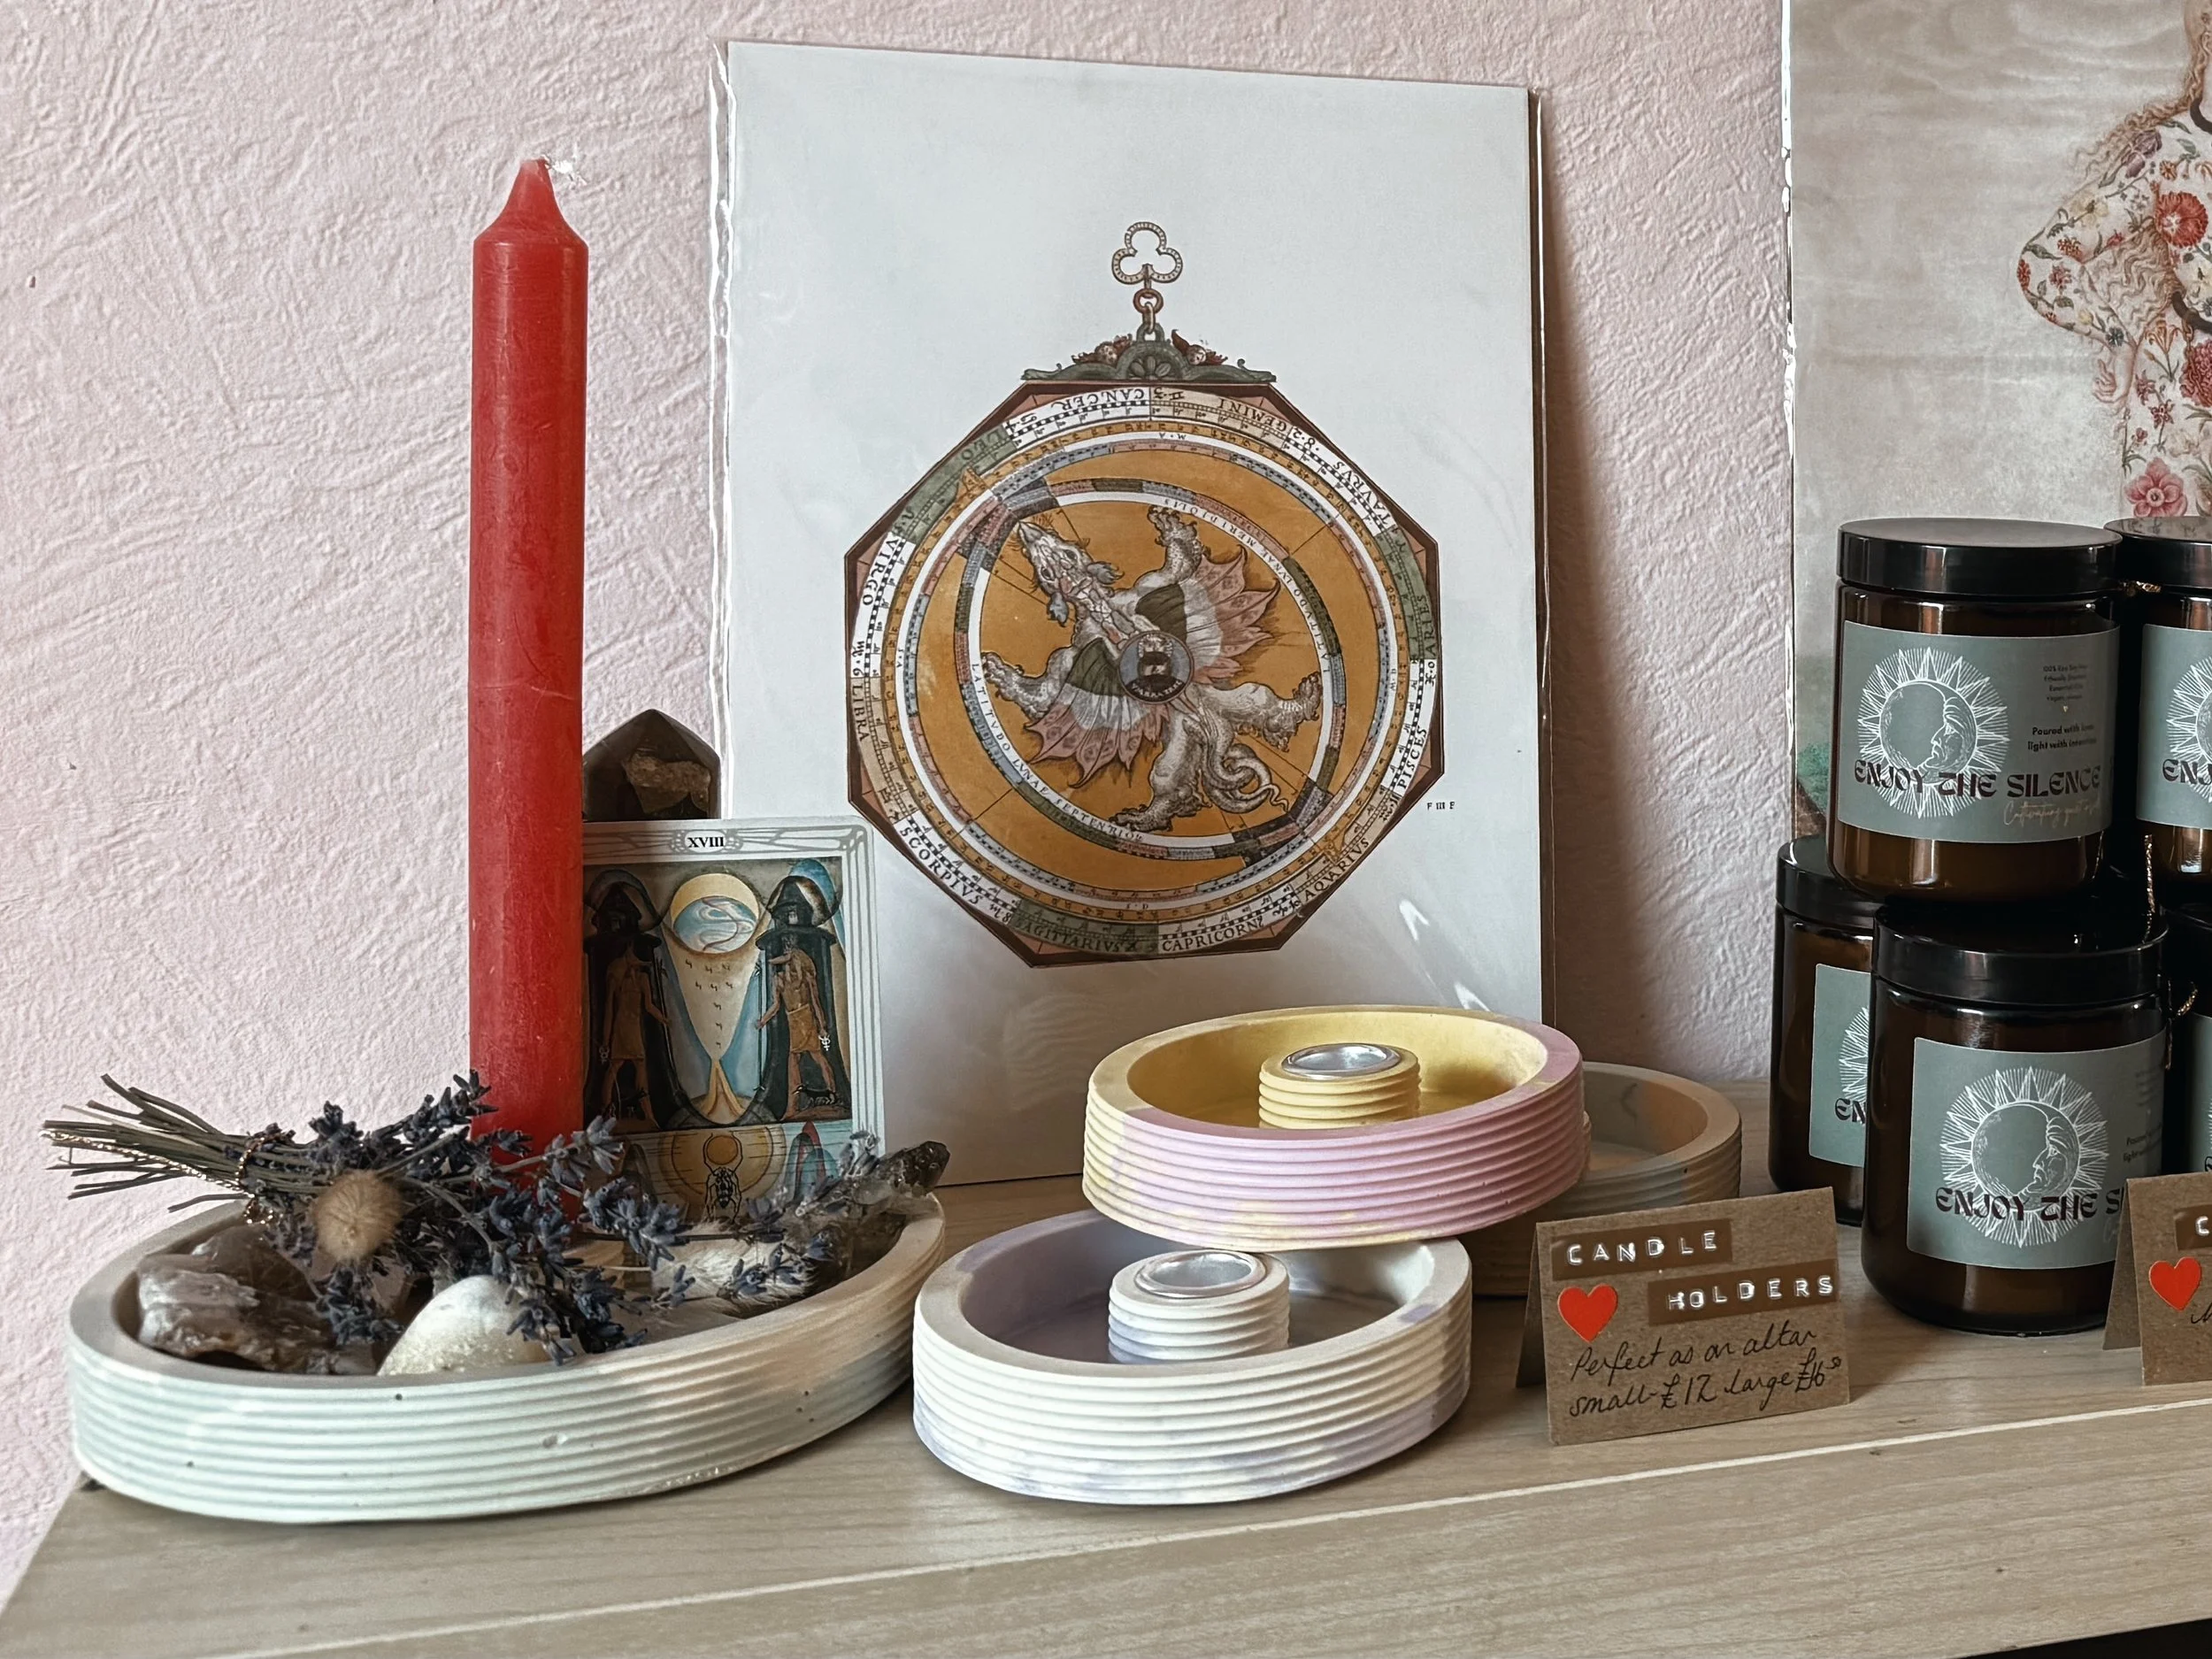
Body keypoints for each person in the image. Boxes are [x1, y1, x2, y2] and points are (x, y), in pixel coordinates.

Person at [2021, 1, 2212, 516]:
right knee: (2165, 582)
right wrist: (2114, 336)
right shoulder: (2165, 150)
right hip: (2175, 390)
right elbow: (2043, 258)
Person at [744, 879, 852, 1122]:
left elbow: (815, 1000)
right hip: (793, 1020)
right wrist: (763, 1021)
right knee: (793, 1059)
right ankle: (793, 1104)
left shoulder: (805, 971)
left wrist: (823, 1025)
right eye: (786, 945)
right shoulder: (780, 980)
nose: (788, 949)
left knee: (817, 1055)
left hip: (806, 1018)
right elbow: (776, 1005)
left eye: (791, 945)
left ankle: (834, 1094)